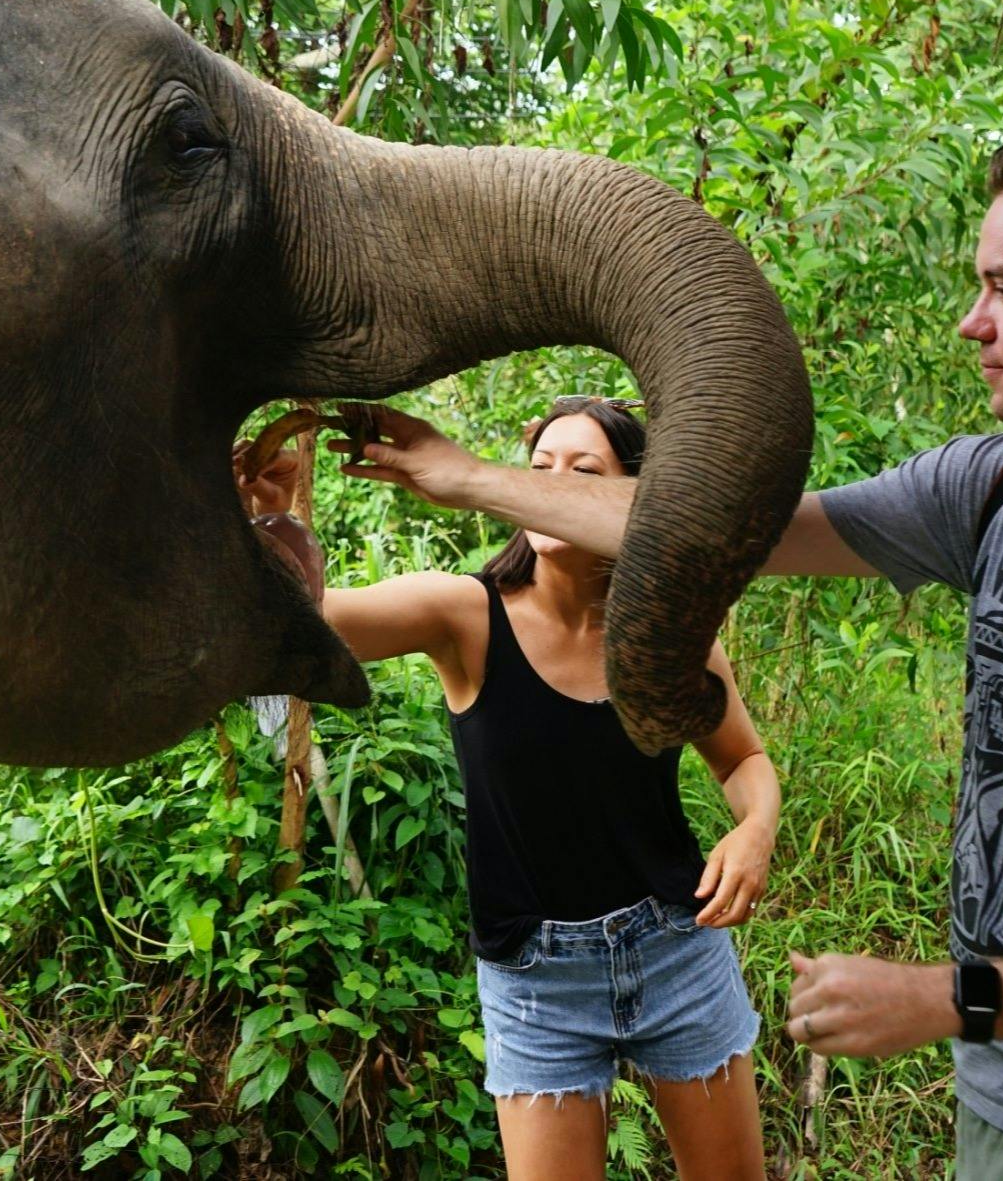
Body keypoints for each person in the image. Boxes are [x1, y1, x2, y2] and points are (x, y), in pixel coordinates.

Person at [327, 131, 1003, 1181]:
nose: (972, 321)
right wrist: (468, 478)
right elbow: (721, 521)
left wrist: (950, 997)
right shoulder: (992, 492)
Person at [239, 397, 779, 1181]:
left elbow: (741, 762)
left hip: (676, 952)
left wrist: (753, 829)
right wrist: (268, 521)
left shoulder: (670, 630)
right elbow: (306, 621)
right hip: (536, 980)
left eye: (584, 471)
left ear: (633, 496)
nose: (550, 486)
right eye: (539, 470)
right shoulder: (466, 616)